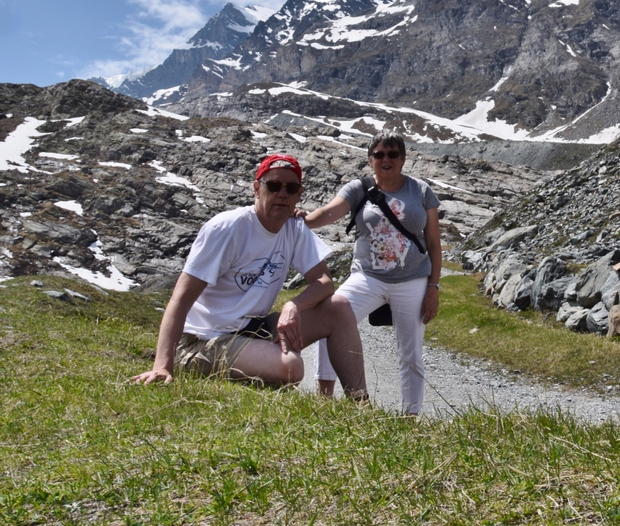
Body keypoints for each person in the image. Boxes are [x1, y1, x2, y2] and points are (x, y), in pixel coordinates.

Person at [130, 154, 368, 400]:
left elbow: (324, 282)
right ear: (256, 189)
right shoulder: (227, 228)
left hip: (252, 328)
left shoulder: (294, 227)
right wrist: (162, 366)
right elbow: (180, 299)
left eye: (291, 188)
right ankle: (192, 364)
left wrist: (293, 305)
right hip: (204, 338)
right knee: (291, 367)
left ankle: (360, 402)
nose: (282, 194)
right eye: (273, 186)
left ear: (299, 194)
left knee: (338, 307)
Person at [300, 130, 441, 414]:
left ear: (403, 159)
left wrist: (433, 287)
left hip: (412, 279)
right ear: (370, 159)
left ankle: (410, 417)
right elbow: (330, 212)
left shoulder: (421, 191)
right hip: (367, 277)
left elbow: (434, 243)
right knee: (329, 318)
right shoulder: (358, 188)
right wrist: (303, 220)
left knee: (411, 352)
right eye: (379, 154)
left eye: (393, 154)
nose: (386, 159)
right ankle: (324, 401)